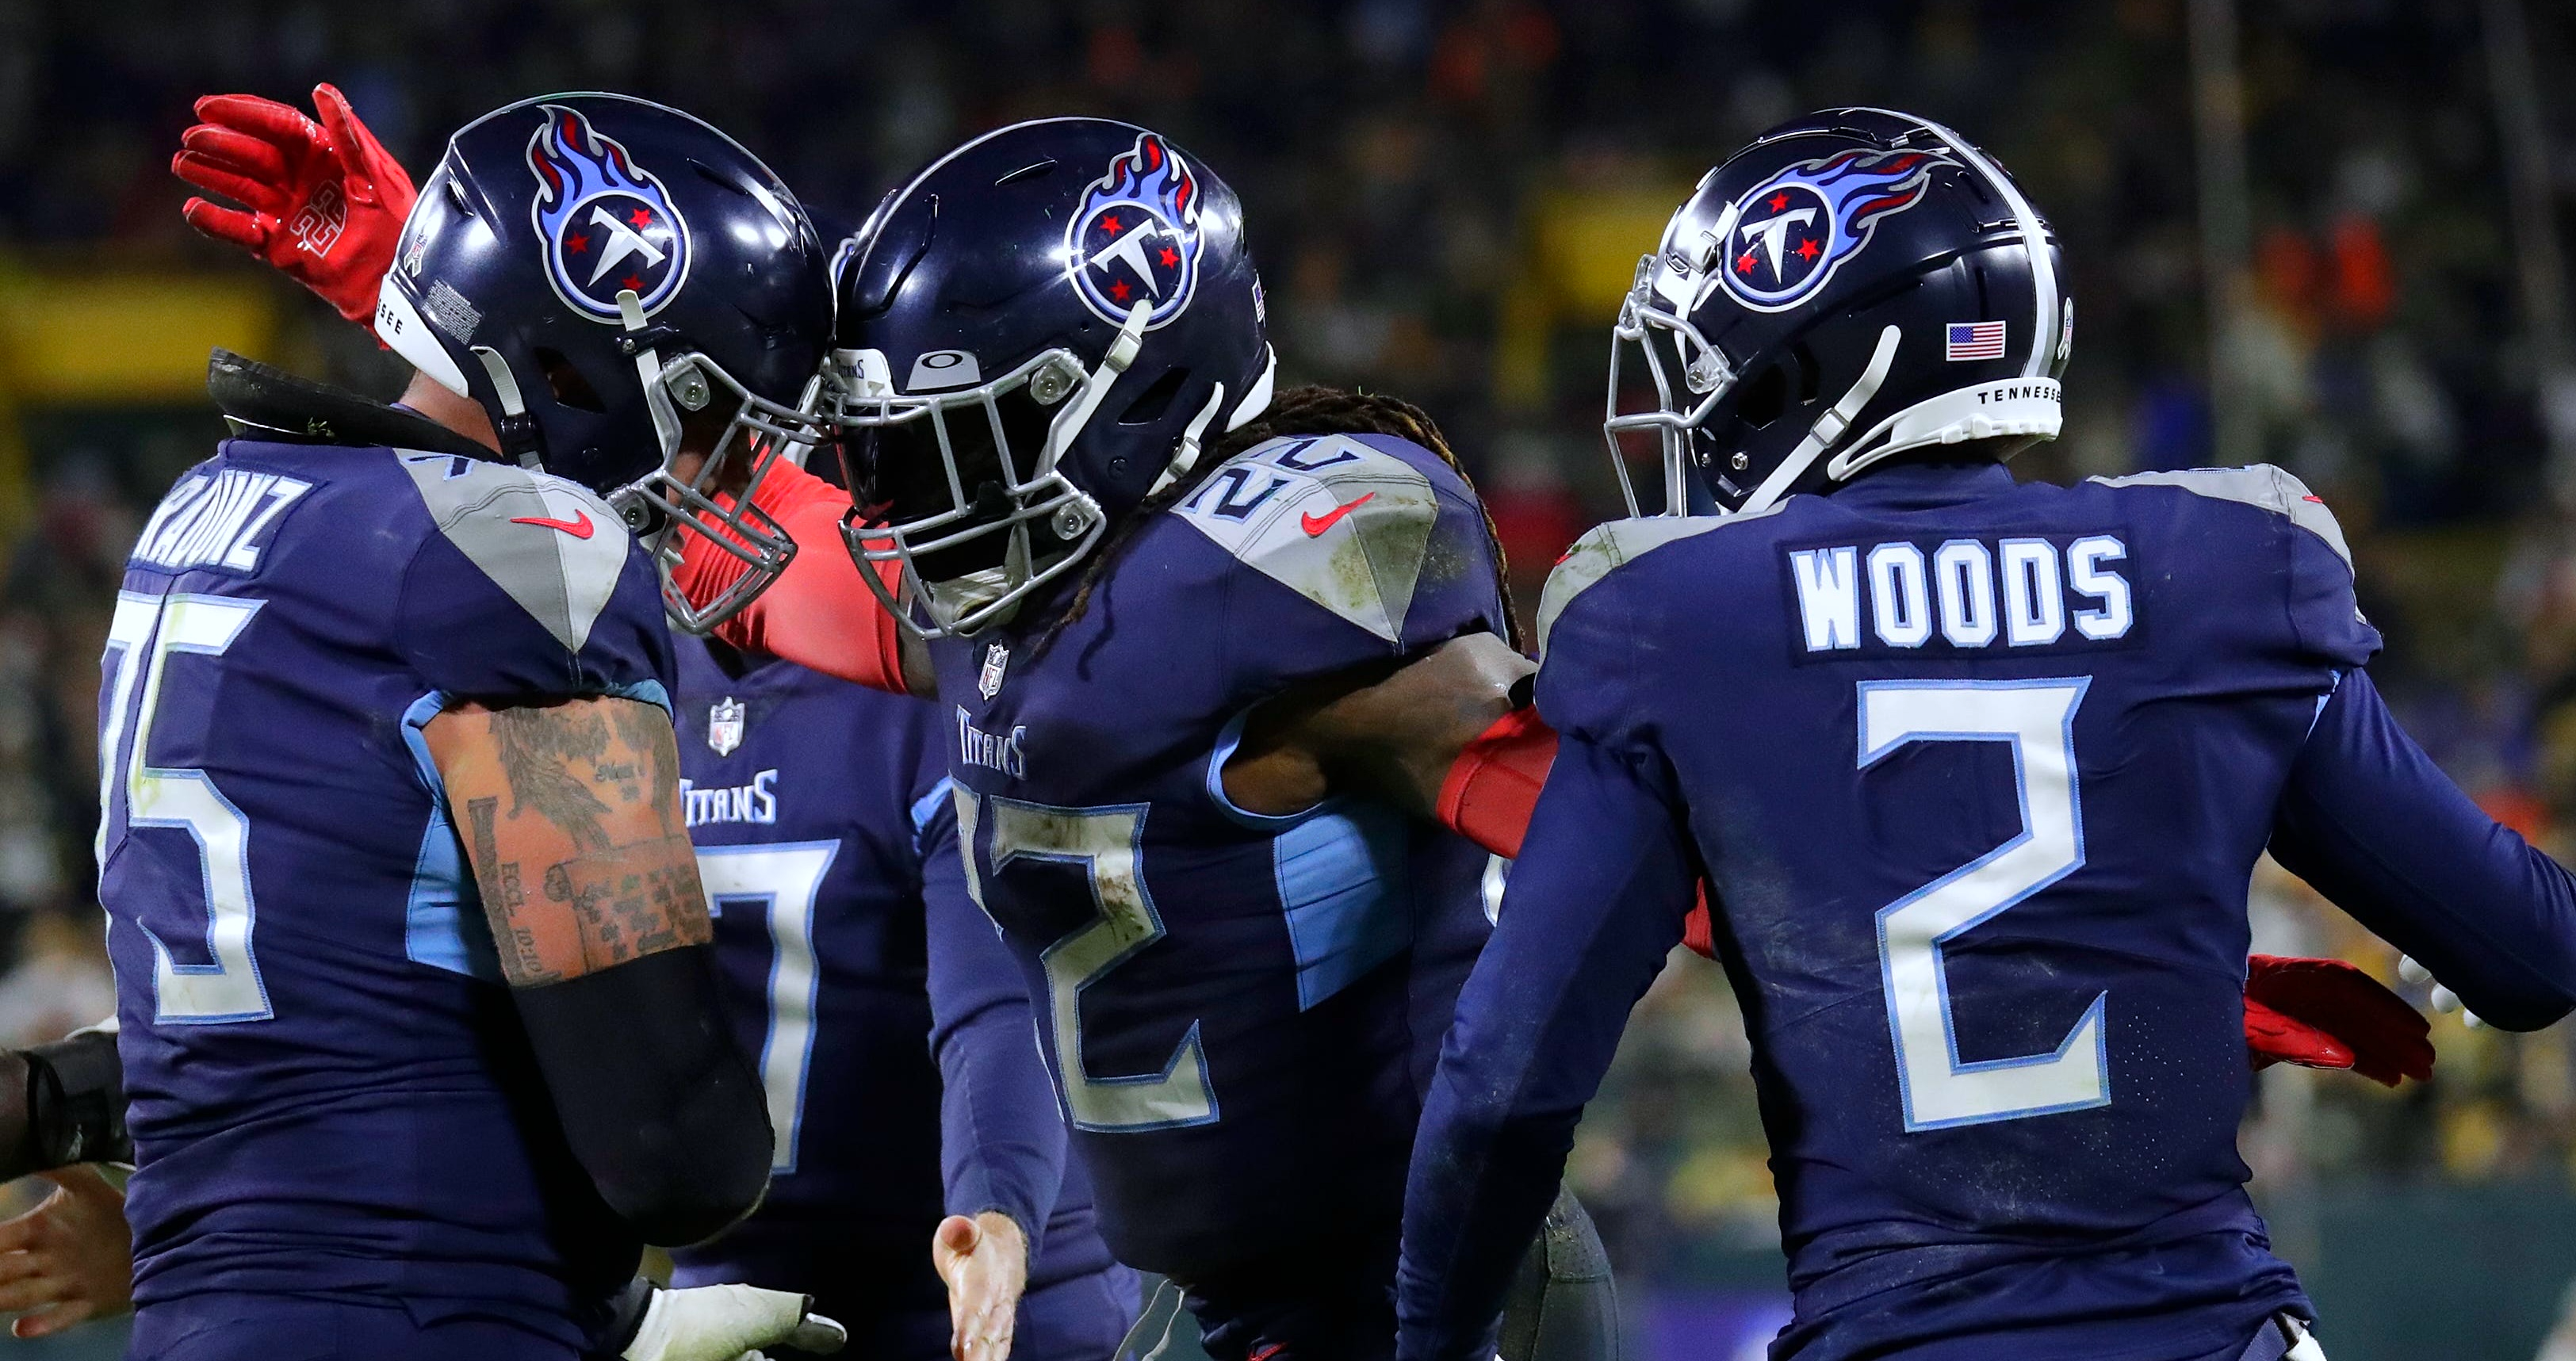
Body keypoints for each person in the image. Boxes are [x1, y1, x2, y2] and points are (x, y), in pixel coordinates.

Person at [1391, 107, 2556, 1361]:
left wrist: (1432, 1337)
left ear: (1802, 362)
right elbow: (2530, 952)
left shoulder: (1678, 622)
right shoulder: (2222, 575)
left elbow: (1503, 1093)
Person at [91, 90, 840, 1359]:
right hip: (431, 1308)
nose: (725, 469)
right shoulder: (520, 559)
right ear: (571, 371)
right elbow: (678, 1152)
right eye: (712, 416)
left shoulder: (201, 513)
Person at [668, 631, 1140, 1360]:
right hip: (721, 1303)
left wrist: (995, 1212)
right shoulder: (614, 684)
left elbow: (1002, 1003)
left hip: (978, 1302)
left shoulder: (949, 688)